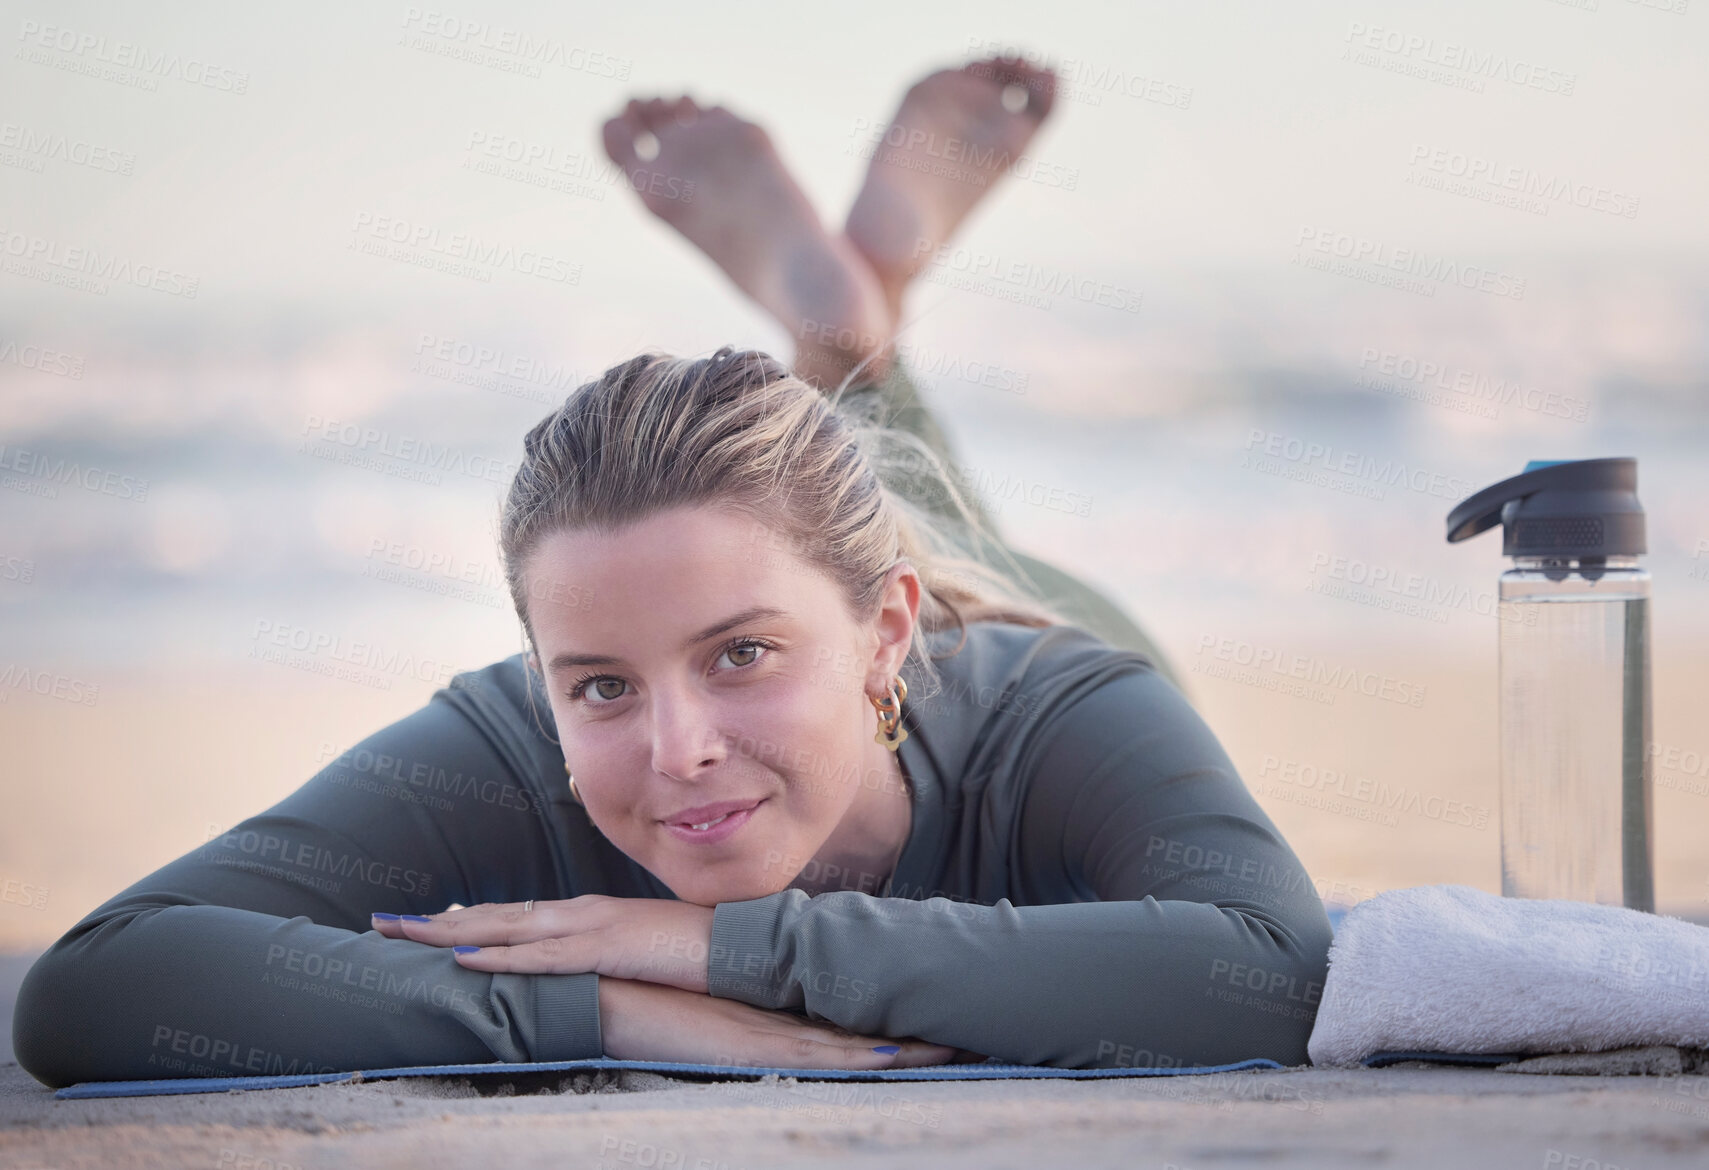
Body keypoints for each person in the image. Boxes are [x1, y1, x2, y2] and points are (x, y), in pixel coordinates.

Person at [11, 57, 1332, 1090]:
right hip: (838, 580)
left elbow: (1268, 973)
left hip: (1020, 610)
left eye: (738, 655)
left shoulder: (1065, 702)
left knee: (952, 534)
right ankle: (845, 339)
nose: (675, 748)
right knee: (830, 528)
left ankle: (852, 350)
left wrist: (715, 950)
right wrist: (594, 1009)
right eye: (596, 684)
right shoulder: (510, 741)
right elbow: (100, 985)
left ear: (886, 640)